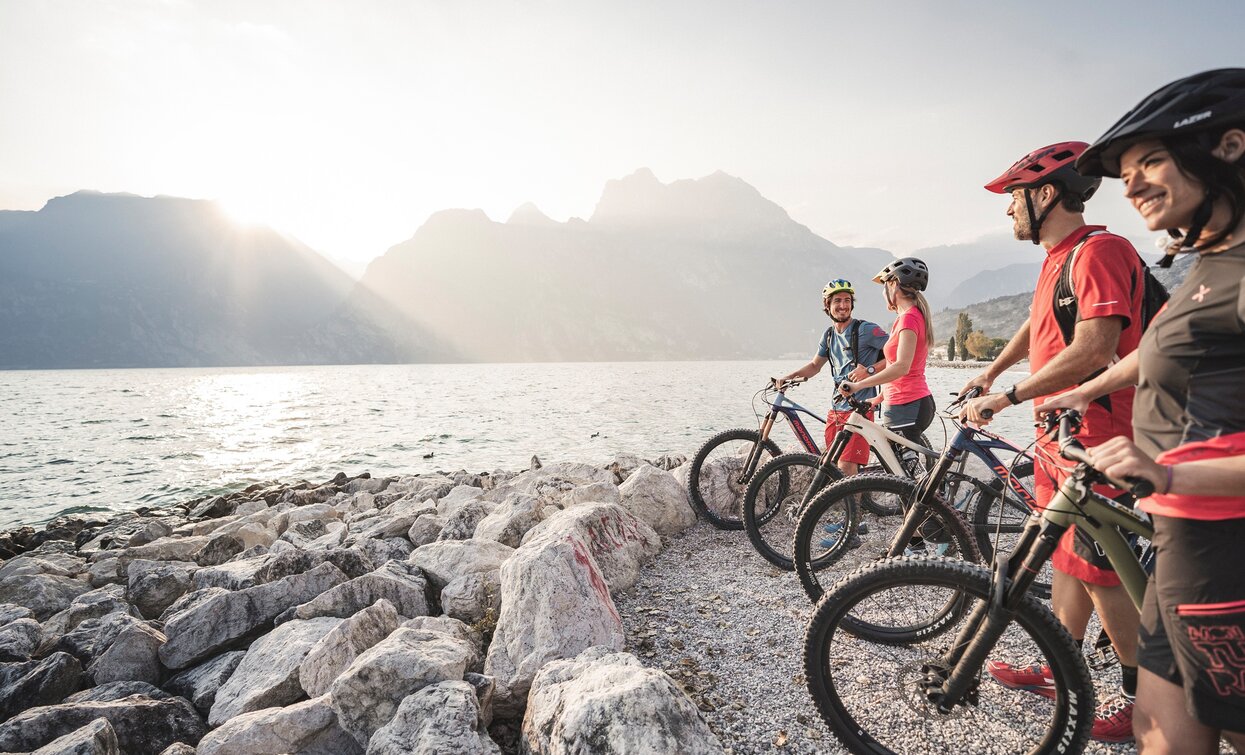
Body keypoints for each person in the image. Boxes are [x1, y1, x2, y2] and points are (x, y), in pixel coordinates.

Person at [1043, 69, 1245, 754]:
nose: (1128, 185)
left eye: (1149, 161)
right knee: (1155, 731)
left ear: (1227, 146)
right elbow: (1163, 349)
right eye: (1123, 172)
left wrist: (1166, 475)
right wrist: (1076, 389)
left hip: (1228, 561)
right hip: (1178, 553)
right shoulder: (1208, 264)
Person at [958, 141, 1147, 743]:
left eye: (1015, 197)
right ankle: (1057, 663)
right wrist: (991, 372)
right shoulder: (1057, 259)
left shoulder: (1100, 251)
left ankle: (1143, 698)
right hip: (1058, 433)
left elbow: (1094, 347)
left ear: (1044, 194)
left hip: (1099, 435)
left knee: (1100, 570)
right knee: (1063, 554)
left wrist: (1007, 397)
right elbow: (1036, 325)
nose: (1008, 210)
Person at [778, 279, 888, 476]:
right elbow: (814, 366)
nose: (843, 305)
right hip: (836, 408)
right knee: (833, 461)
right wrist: (789, 377)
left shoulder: (866, 329)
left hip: (860, 407)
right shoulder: (828, 336)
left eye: (847, 300)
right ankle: (847, 502)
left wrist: (869, 370)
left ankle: (852, 507)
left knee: (846, 465)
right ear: (827, 305)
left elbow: (898, 355)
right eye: (837, 301)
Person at [837, 258, 935, 446]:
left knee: (901, 473)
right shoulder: (908, 317)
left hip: (907, 404)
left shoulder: (909, 319)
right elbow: (900, 368)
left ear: (893, 284)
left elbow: (902, 367)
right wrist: (878, 398)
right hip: (906, 403)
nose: (883, 293)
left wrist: (859, 385)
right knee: (900, 469)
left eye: (884, 287)